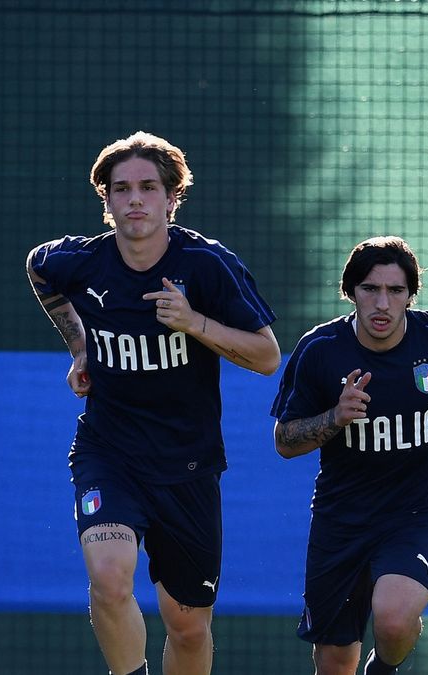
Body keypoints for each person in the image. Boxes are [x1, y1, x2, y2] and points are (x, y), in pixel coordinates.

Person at [26, 131, 281, 675]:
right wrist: (80, 347)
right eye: (121, 189)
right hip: (108, 453)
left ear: (172, 197)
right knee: (110, 579)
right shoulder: (80, 261)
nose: (134, 199)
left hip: (186, 465)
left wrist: (194, 323)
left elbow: (266, 356)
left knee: (187, 625)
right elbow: (38, 269)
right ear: (107, 201)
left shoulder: (207, 265)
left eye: (148, 187)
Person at [269, 235, 428, 675]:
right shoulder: (320, 350)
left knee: (395, 619)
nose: (382, 303)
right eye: (370, 289)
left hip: (417, 513)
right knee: (335, 660)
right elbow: (284, 441)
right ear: (351, 292)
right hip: (341, 520)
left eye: (395, 291)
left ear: (410, 296)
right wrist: (336, 417)